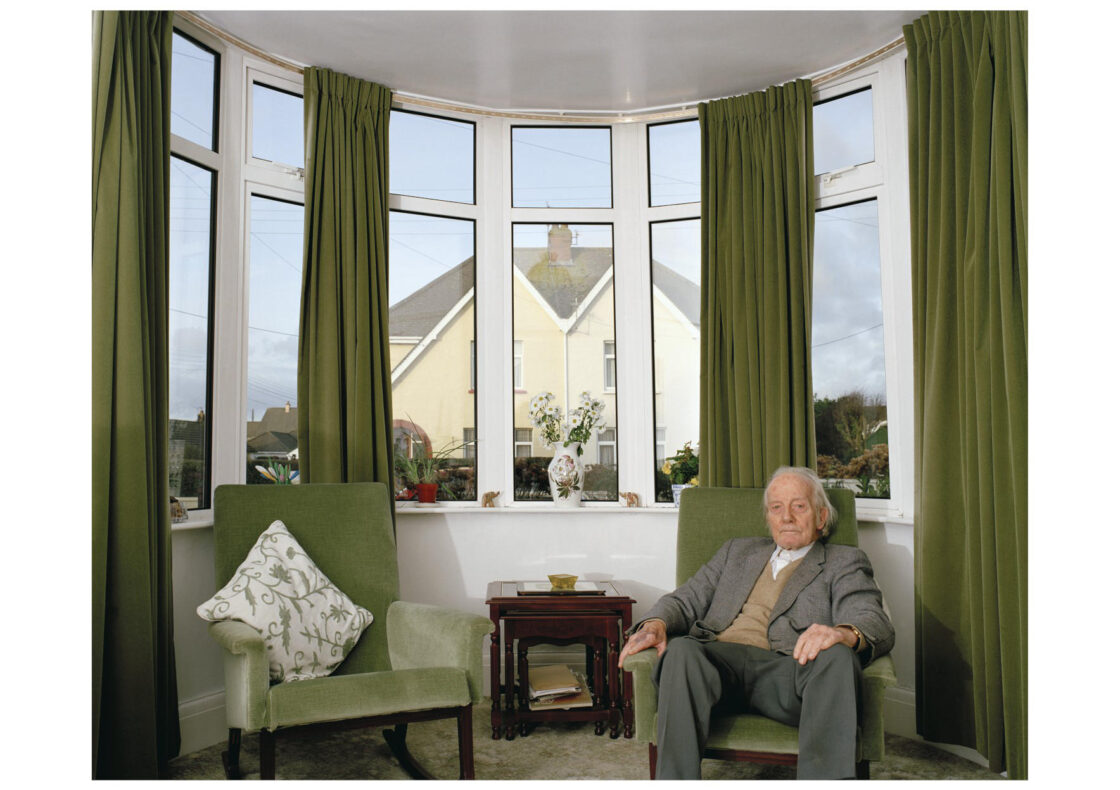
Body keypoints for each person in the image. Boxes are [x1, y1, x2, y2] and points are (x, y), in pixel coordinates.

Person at [618, 466, 894, 780]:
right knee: (680, 651)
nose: (786, 516)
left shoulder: (843, 561)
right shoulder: (736, 552)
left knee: (838, 656)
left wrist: (841, 633)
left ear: (820, 518)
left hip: (790, 673)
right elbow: (685, 598)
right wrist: (655, 624)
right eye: (777, 508)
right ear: (769, 518)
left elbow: (870, 617)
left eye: (798, 506)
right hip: (720, 667)